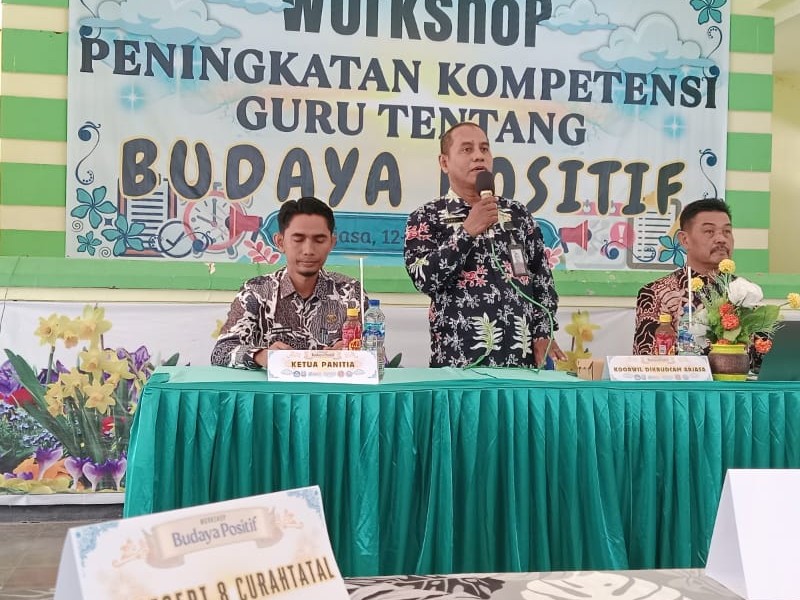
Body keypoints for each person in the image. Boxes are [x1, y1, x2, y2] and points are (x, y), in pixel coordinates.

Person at [403, 122, 565, 368]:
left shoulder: (517, 214)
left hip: (521, 363)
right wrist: (467, 232)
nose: (479, 156)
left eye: (484, 149)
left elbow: (542, 280)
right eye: (467, 149)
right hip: (459, 362)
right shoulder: (427, 216)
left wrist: (543, 332)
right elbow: (424, 279)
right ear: (444, 162)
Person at [211, 196, 367, 368]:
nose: (308, 250)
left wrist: (357, 353)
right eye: (298, 239)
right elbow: (221, 352)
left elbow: (378, 355)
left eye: (319, 240)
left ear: (332, 243)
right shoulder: (256, 292)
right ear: (280, 242)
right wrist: (262, 356)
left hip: (333, 385)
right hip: (274, 386)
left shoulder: (351, 292)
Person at [633, 197, 733, 355]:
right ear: (685, 240)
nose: (721, 239)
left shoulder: (745, 292)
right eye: (709, 231)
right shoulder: (656, 293)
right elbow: (648, 363)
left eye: (727, 231)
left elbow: (762, 355)